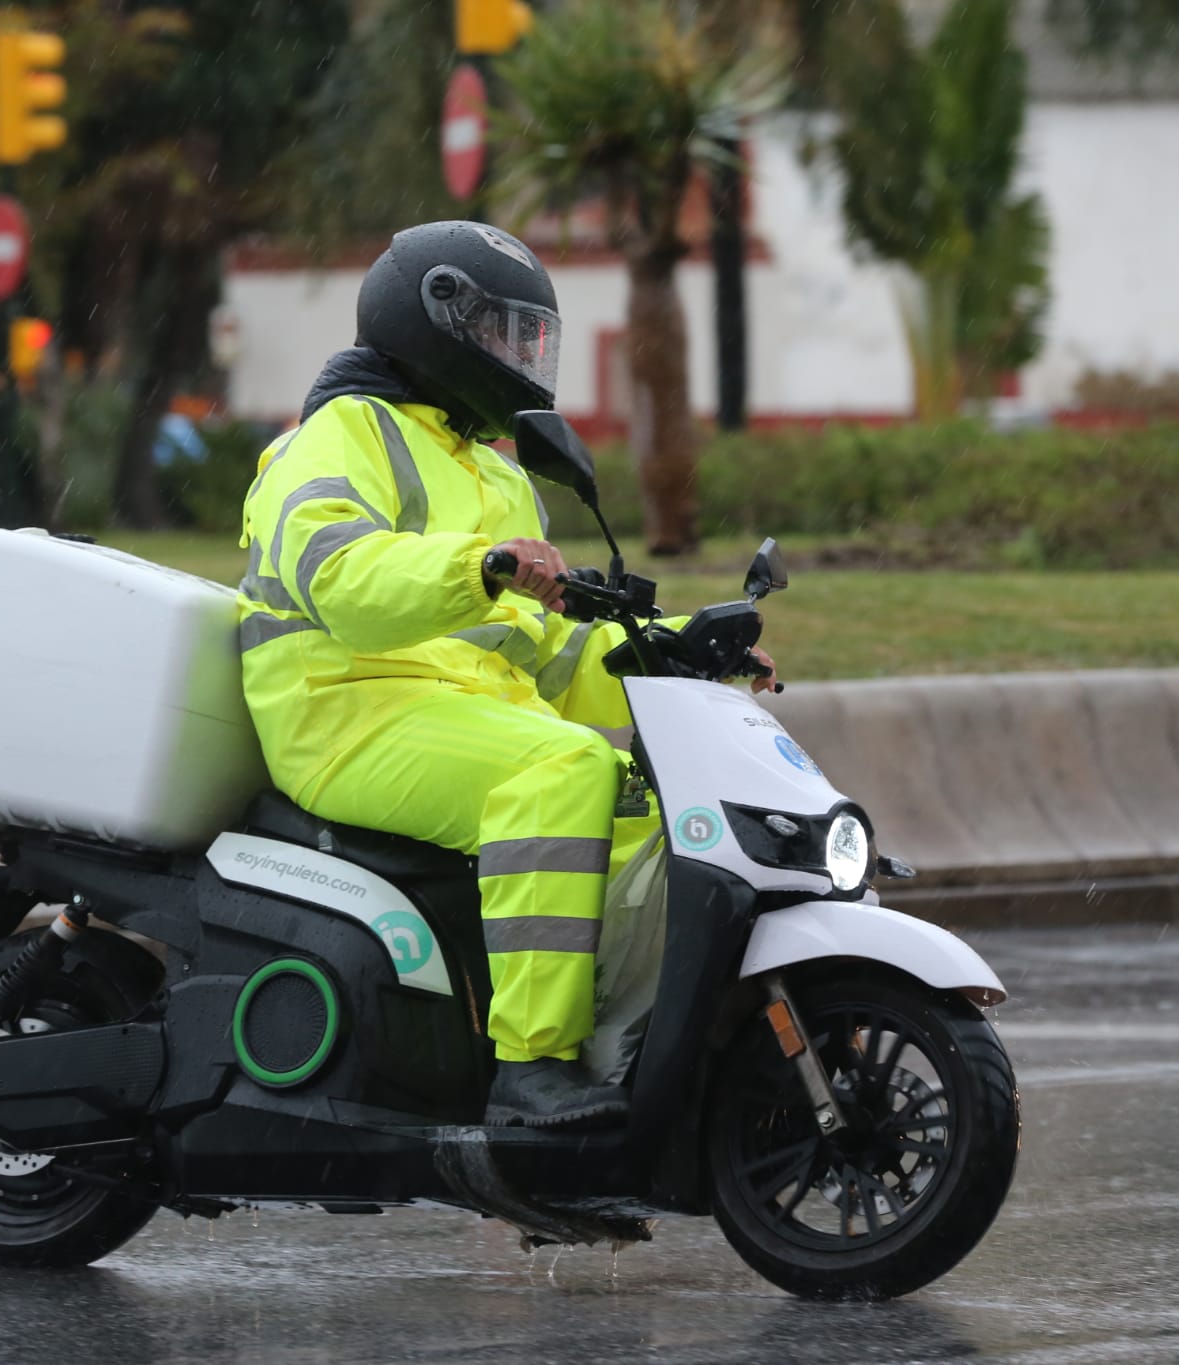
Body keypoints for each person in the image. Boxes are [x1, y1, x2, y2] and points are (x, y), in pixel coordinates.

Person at [235, 221, 776, 1128]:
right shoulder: (337, 435)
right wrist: (479, 566)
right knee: (560, 772)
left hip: (459, 716)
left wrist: (680, 652)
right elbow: (341, 580)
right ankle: (530, 1073)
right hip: (346, 712)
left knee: (653, 800)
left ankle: (633, 1059)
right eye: (501, 333)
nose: (519, 357)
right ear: (432, 317)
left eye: (529, 338)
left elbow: (549, 656)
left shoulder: (495, 474)